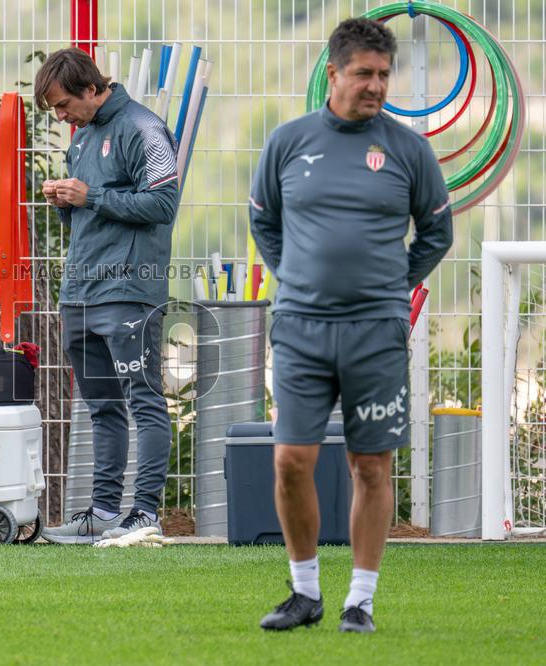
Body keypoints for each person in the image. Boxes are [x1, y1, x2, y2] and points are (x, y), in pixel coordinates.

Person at [249, 18, 453, 632]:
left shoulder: (408, 148)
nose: (376, 85)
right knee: (290, 460)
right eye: (364, 73)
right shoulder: (288, 141)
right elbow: (264, 222)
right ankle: (304, 592)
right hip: (302, 329)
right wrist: (297, 277)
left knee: (370, 465)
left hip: (376, 332)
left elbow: (437, 233)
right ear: (333, 72)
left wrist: (391, 284)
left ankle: (358, 601)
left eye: (385, 74)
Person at [32, 48, 180, 544]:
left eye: (62, 105)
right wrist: (64, 203)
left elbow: (163, 202)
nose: (59, 116)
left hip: (128, 289)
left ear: (91, 89)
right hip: (79, 292)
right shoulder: (82, 139)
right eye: (52, 109)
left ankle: (145, 513)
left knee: (143, 401)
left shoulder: (144, 128)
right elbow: (83, 220)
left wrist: (90, 195)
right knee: (101, 406)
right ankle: (101, 509)